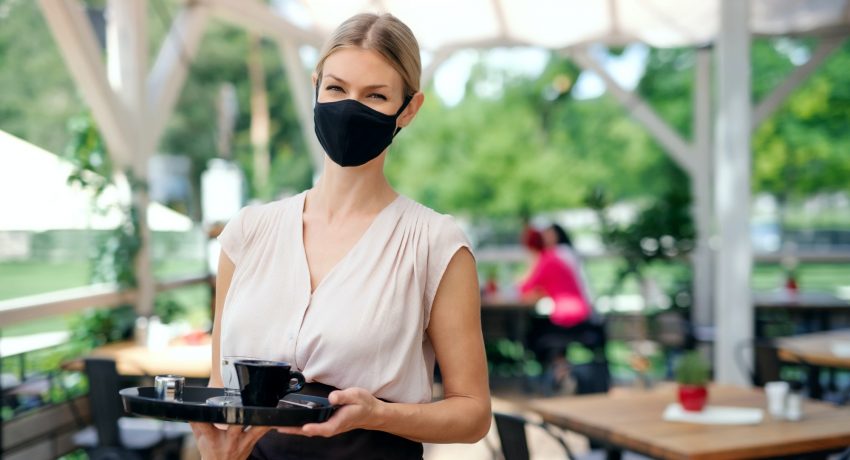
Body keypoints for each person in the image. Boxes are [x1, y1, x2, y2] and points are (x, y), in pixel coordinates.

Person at [189, 13, 491, 460]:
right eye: (336, 88)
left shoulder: (434, 244)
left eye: (376, 95)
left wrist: (376, 414)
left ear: (408, 108)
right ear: (315, 86)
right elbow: (222, 392)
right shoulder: (246, 235)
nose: (350, 108)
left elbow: (473, 414)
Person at [518, 227, 593, 393]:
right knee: (544, 332)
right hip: (581, 313)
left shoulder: (548, 259)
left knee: (533, 335)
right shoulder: (559, 257)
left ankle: (560, 372)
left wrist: (531, 264)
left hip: (566, 316)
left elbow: (525, 288)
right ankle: (562, 371)